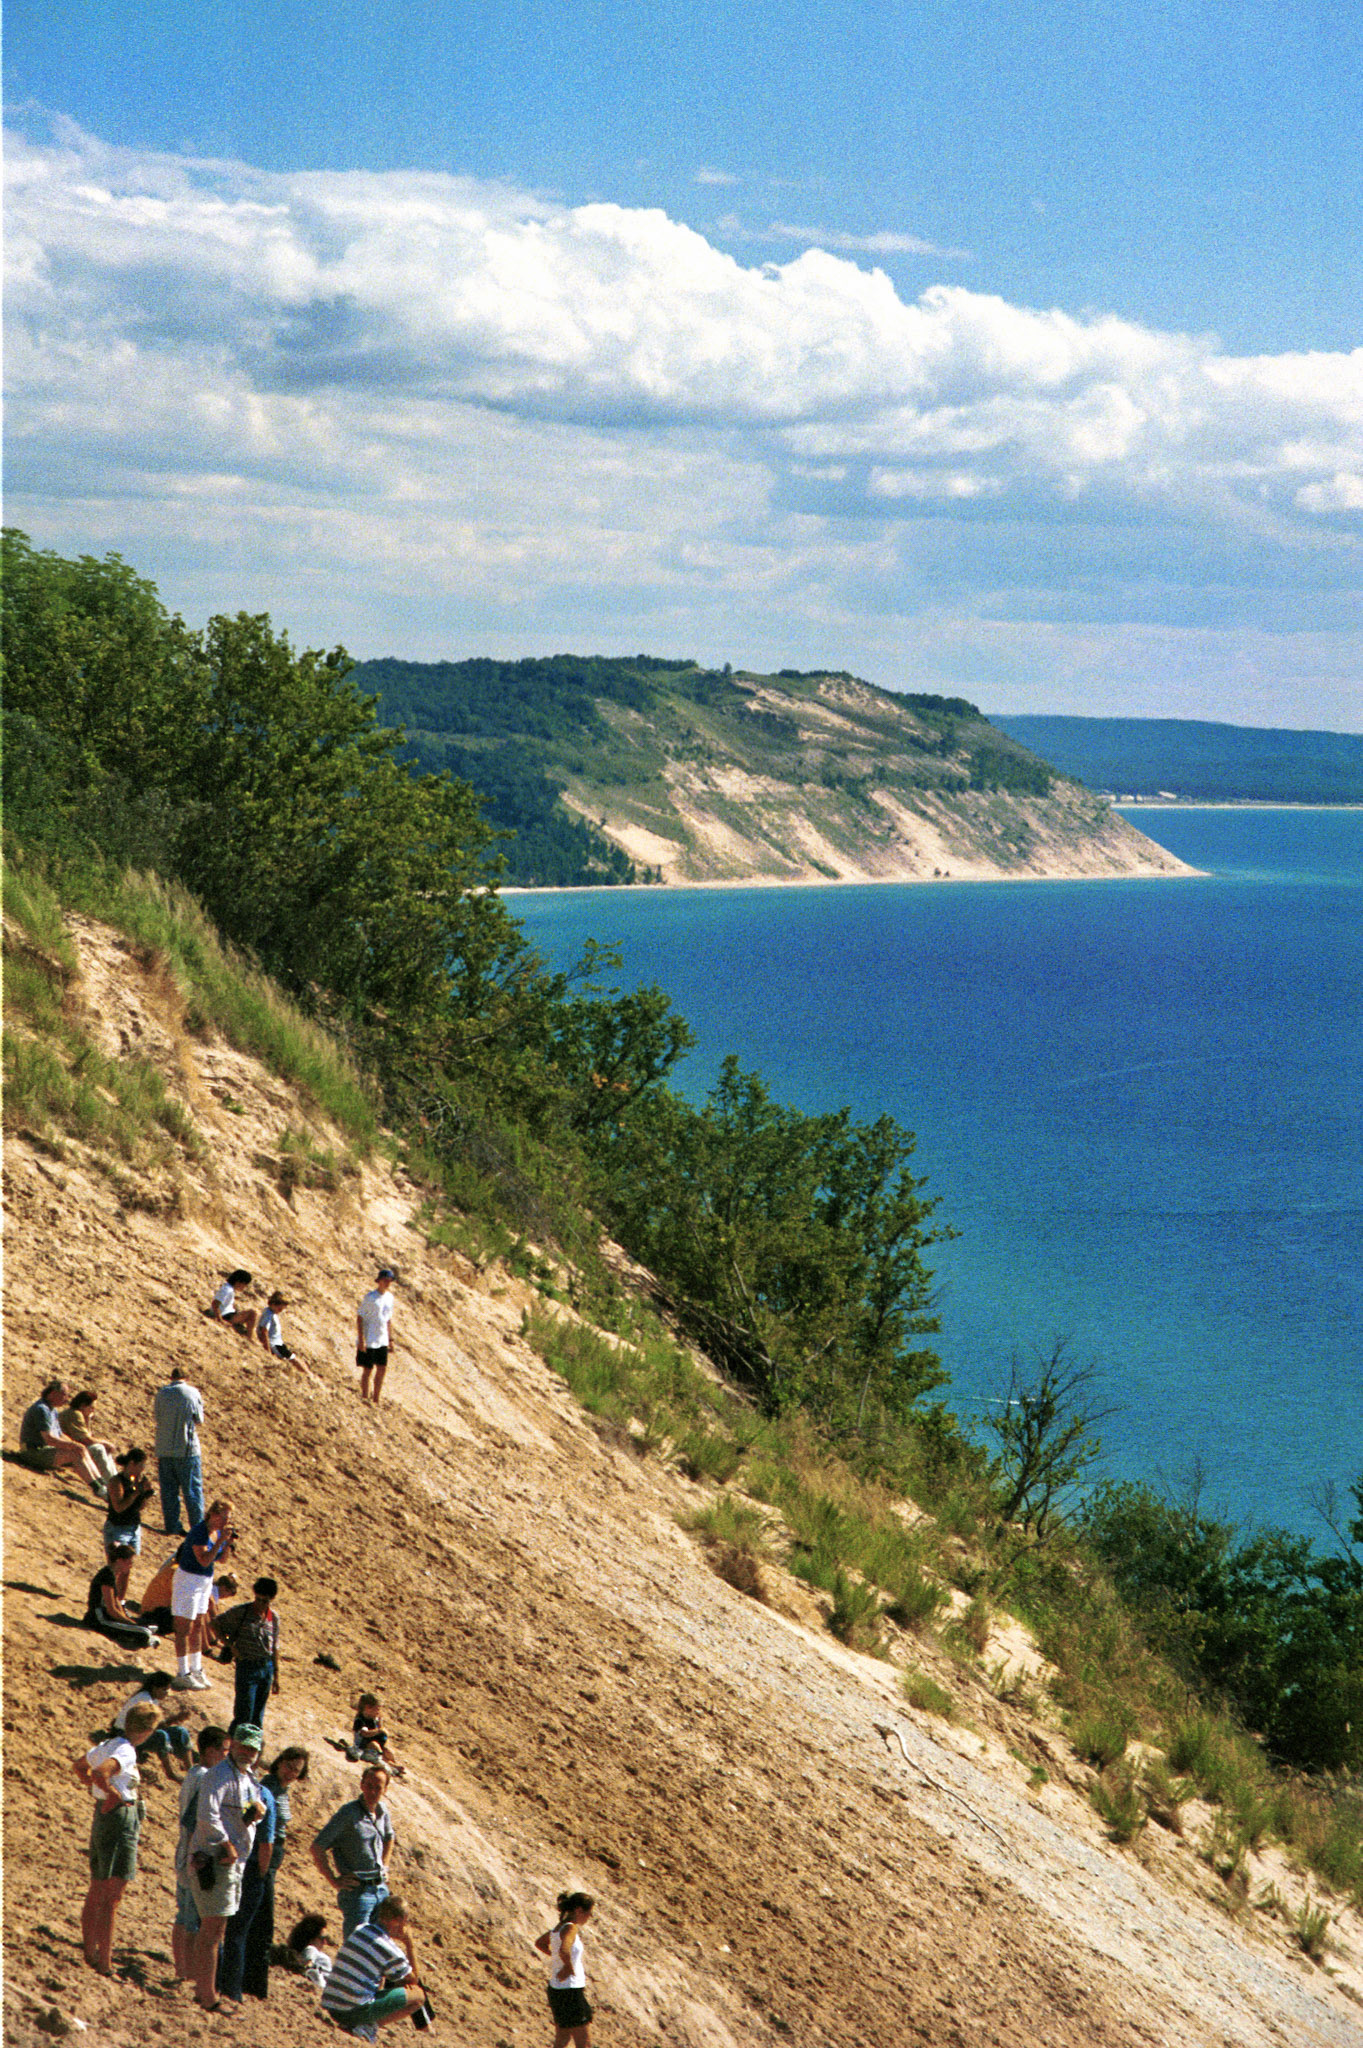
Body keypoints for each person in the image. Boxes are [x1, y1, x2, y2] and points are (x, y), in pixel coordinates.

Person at [74, 1699, 160, 1973]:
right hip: (120, 1817)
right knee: (112, 1895)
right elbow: (101, 1772)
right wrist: (113, 1794)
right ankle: (106, 1960)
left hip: (104, 1815)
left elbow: (81, 1767)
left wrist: (99, 1792)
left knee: (98, 1886)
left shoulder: (108, 1744)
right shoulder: (126, 1750)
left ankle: (91, 1951)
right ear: (147, 1730)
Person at [187, 1722, 267, 2012]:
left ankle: (203, 1990)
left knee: (214, 1929)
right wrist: (225, 1843)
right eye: (243, 1746)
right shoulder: (218, 1775)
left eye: (253, 1748)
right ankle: (207, 1997)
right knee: (212, 1929)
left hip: (233, 1861)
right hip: (215, 1858)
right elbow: (207, 1814)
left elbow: (236, 1816)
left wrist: (254, 1813)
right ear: (232, 1744)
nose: (248, 1752)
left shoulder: (247, 1778)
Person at [238, 1744, 309, 2000]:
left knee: (261, 1918)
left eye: (297, 1770)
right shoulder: (266, 1787)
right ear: (279, 1763)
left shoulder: (282, 1790)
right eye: (289, 1766)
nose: (291, 1773)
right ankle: (252, 1982)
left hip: (272, 1854)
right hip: (263, 1853)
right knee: (261, 1920)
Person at [320, 1894, 428, 2040]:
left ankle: (363, 2021)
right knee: (418, 1996)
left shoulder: (361, 1929)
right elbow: (413, 1980)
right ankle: (366, 2025)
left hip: (330, 2004)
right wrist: (410, 1944)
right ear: (397, 1921)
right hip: (349, 2012)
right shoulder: (389, 1949)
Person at [310, 1764, 396, 1940]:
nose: (372, 1791)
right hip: (358, 1893)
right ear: (362, 1785)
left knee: (380, 1944)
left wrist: (385, 1865)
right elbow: (317, 1847)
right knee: (356, 1945)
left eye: (378, 1787)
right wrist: (333, 1880)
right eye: (369, 1785)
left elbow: (389, 1837)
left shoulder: (383, 1811)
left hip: (380, 1888)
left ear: (385, 1790)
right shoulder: (348, 1813)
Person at [172, 1724, 230, 1981]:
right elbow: (193, 1819)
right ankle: (189, 1972)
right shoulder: (206, 1777)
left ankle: (182, 1969)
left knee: (184, 1914)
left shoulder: (194, 1773)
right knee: (191, 1918)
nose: (227, 1756)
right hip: (195, 1854)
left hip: (185, 1850)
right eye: (224, 1751)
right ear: (211, 1751)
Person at [169, 1498, 235, 1690]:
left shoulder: (216, 1534)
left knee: (198, 1624)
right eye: (223, 1517)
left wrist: (227, 1543)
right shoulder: (199, 1531)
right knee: (183, 1628)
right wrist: (220, 1541)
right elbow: (204, 1560)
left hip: (204, 1581)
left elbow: (221, 1560)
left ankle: (196, 1668)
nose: (226, 1522)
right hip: (189, 1580)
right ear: (213, 1515)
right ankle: (183, 1672)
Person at [217, 1576, 282, 1733]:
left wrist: (276, 1675)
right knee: (243, 1713)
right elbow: (216, 1624)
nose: (260, 1604)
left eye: (264, 1601)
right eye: (258, 1599)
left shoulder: (273, 1618)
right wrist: (230, 1646)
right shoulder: (242, 1612)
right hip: (247, 1666)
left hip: (266, 1667)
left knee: (257, 1717)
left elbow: (274, 1647)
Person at [18, 1379, 105, 1493]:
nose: (67, 1399)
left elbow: (59, 1434)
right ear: (53, 1393)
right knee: (75, 1455)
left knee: (81, 1450)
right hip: (33, 1452)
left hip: (45, 1451)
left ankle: (102, 1483)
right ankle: (99, 1489)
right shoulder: (41, 1409)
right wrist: (73, 1445)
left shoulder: (52, 1410)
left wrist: (76, 1445)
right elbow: (49, 1439)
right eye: (64, 1395)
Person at [536, 1892, 595, 2048]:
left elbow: (540, 1943)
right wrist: (568, 1967)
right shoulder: (571, 1928)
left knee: (562, 2039)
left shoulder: (558, 1927)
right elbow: (564, 1950)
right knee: (584, 2043)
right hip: (570, 1990)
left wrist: (556, 1958)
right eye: (589, 1913)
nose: (590, 1917)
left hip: (556, 1989)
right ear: (579, 1910)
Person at [153, 1365, 205, 1536]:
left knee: (169, 1491)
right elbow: (199, 1419)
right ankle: (197, 1529)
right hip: (186, 1449)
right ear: (187, 1377)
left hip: (164, 1447)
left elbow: (157, 1417)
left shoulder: (161, 1393)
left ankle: (172, 1526)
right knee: (192, 1490)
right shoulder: (192, 1393)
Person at [113, 1672, 192, 1780]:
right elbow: (153, 1727)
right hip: (127, 1735)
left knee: (181, 1732)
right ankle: (170, 1773)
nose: (167, 1693)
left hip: (139, 1732)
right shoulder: (145, 1700)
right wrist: (176, 1718)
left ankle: (191, 1771)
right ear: (155, 1688)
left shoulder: (152, 1699)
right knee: (161, 1736)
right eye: (164, 1689)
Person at [87, 1545, 158, 1648]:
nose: (131, 1566)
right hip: (99, 1619)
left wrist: (127, 1620)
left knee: (152, 1624)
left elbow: (117, 1603)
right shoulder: (107, 1576)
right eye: (129, 1562)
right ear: (120, 1561)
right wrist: (130, 1623)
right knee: (144, 1632)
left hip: (109, 1616)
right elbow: (111, 1610)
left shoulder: (113, 1574)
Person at [102, 1446, 156, 1558]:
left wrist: (145, 1495)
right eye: (141, 1465)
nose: (143, 1469)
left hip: (134, 1528)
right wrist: (136, 1492)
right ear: (132, 1464)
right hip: (118, 1528)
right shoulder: (117, 1482)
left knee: (129, 1564)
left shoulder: (137, 1480)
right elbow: (118, 1507)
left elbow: (139, 1508)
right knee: (118, 1565)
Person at [57, 1390, 119, 1483]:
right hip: (65, 1452)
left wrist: (87, 1420)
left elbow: (86, 1436)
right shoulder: (74, 1414)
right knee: (98, 1448)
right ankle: (111, 1483)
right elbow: (86, 1440)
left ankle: (116, 1481)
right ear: (83, 1405)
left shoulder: (78, 1415)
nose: (93, 1410)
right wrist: (107, 1443)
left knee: (104, 1449)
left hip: (70, 1450)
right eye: (91, 1407)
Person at [356, 1268, 397, 1405]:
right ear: (379, 1280)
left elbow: (388, 1319)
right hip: (370, 1337)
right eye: (385, 1280)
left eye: (389, 1281)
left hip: (382, 1338)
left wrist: (390, 1339)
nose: (387, 1283)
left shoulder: (390, 1298)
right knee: (368, 1369)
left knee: (381, 1369)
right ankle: (365, 1396)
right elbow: (360, 1317)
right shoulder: (370, 1297)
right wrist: (361, 1339)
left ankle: (376, 1399)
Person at [348, 1692, 405, 1776]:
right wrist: (378, 1730)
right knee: (375, 1746)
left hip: (374, 1739)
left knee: (388, 1751)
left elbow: (380, 1729)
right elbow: (364, 1733)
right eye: (377, 1709)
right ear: (368, 1708)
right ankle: (389, 1765)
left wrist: (380, 1723)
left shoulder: (373, 1718)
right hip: (363, 1743)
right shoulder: (361, 1720)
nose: (379, 1712)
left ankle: (392, 1763)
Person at [283, 1911, 333, 1989]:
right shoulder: (311, 1949)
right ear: (311, 1939)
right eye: (322, 1938)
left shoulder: (310, 1952)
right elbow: (307, 1964)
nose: (325, 1942)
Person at [256, 1291, 301, 1363]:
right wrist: (268, 1350)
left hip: (278, 1343)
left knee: (294, 1358)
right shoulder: (269, 1315)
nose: (280, 1311)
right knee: (293, 1360)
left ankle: (309, 1373)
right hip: (274, 1344)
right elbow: (264, 1331)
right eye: (280, 1309)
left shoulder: (271, 1312)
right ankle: (309, 1374)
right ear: (273, 1304)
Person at [206, 1268, 256, 1334]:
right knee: (252, 1313)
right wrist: (220, 1320)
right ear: (239, 1282)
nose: (245, 1287)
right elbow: (215, 1304)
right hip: (226, 1316)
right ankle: (250, 1337)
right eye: (245, 1284)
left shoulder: (229, 1288)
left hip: (228, 1314)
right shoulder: (227, 1290)